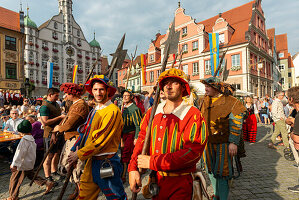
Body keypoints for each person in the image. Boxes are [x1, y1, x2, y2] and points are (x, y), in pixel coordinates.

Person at [129, 68, 207, 199]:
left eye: (174, 82)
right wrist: (133, 169)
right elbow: (142, 140)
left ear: (183, 87)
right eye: (165, 83)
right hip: (156, 181)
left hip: (180, 183)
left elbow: (192, 153)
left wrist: (153, 162)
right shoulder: (153, 112)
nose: (168, 86)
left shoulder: (193, 114)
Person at [67, 75, 127, 200]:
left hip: (106, 162)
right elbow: (85, 133)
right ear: (91, 91)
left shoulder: (112, 111)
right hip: (91, 161)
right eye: (95, 90)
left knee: (115, 197)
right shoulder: (95, 109)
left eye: (101, 89)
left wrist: (79, 154)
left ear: (107, 91)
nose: (98, 93)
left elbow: (101, 141)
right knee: (84, 196)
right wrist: (74, 149)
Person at [199, 77, 246, 200]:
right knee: (210, 170)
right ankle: (216, 195)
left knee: (222, 173)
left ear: (217, 88)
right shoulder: (203, 100)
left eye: (208, 86)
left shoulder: (232, 102)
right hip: (207, 142)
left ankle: (222, 198)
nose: (205, 88)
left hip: (224, 144)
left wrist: (233, 142)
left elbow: (236, 123)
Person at [54, 83, 89, 200]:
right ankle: (77, 190)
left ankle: (81, 194)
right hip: (70, 139)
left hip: (77, 140)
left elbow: (69, 124)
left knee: (76, 168)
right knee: (71, 167)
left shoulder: (80, 105)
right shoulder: (75, 104)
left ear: (72, 94)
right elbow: (66, 120)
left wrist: (58, 128)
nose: (65, 95)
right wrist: (57, 130)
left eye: (66, 93)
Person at [6, 120, 54, 200]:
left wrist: (14, 164)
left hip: (22, 164)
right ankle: (47, 183)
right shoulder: (31, 138)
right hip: (29, 163)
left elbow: (19, 153)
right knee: (32, 176)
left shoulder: (24, 140)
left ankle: (13, 196)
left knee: (15, 179)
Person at [39, 88, 65, 183]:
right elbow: (45, 122)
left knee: (56, 153)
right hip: (49, 134)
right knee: (49, 155)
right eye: (56, 96)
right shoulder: (44, 106)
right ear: (50, 95)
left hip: (58, 132)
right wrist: (59, 117)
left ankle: (54, 171)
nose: (58, 97)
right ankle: (47, 176)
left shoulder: (56, 104)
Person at [120, 89, 142, 182]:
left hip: (130, 135)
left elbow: (138, 124)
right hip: (123, 135)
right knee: (123, 153)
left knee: (126, 154)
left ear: (131, 97)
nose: (124, 97)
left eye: (127, 96)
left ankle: (124, 175)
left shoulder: (134, 109)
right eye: (124, 95)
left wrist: (136, 137)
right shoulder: (124, 107)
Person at [286, 86, 299, 192]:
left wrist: (291, 134)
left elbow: (297, 140)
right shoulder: (295, 111)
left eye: (287, 98)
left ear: (291, 99)